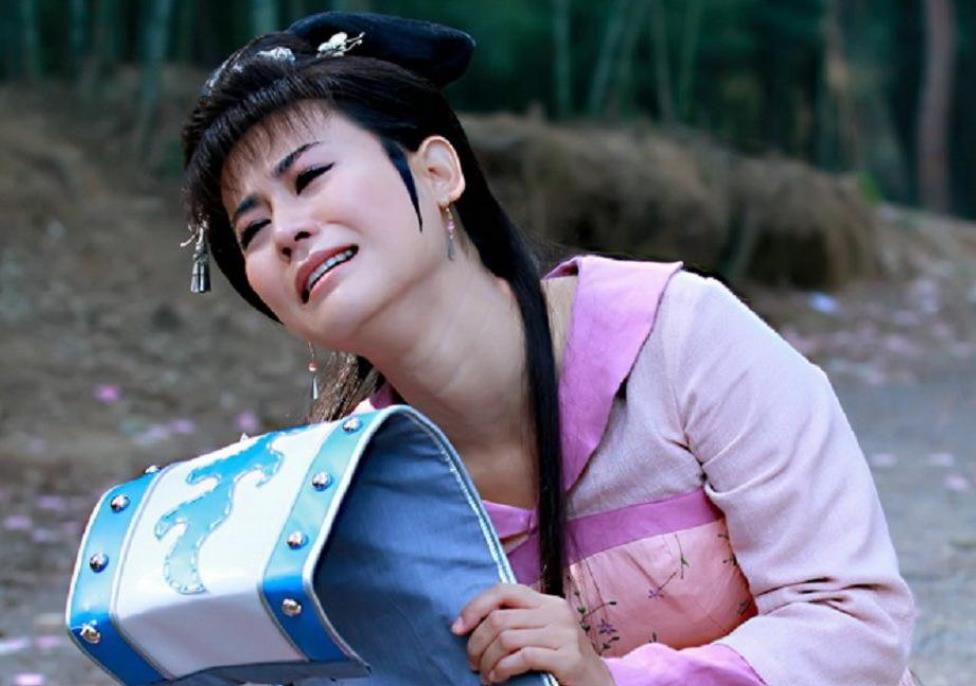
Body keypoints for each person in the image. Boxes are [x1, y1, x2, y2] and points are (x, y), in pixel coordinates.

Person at [180, 11, 915, 686]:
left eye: (310, 177)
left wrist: (609, 681)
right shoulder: (340, 496)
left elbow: (858, 626)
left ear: (438, 172)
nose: (286, 232)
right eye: (252, 230)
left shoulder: (681, 339)